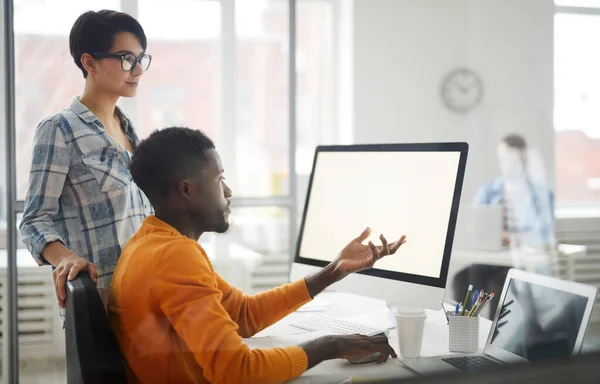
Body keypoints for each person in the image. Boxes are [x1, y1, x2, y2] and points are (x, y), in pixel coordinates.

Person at [108, 127, 407, 384]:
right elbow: (237, 371)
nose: (228, 191)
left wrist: (333, 271)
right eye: (219, 179)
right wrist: (331, 345)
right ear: (187, 189)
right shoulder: (174, 256)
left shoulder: (150, 242)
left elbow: (242, 315)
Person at [19, 10, 153, 310]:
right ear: (89, 62)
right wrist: (65, 257)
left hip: (148, 296)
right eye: (126, 58)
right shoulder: (59, 130)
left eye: (141, 58)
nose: (138, 69)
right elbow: (33, 220)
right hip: (102, 303)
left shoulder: (129, 129)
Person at [454, 134, 555, 317]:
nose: (505, 163)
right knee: (462, 280)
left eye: (509, 158)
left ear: (522, 157)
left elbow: (545, 235)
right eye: (502, 158)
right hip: (491, 258)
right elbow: (473, 223)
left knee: (499, 285)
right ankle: (464, 330)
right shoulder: (489, 190)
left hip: (519, 261)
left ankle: (495, 338)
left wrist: (512, 238)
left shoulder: (540, 194)